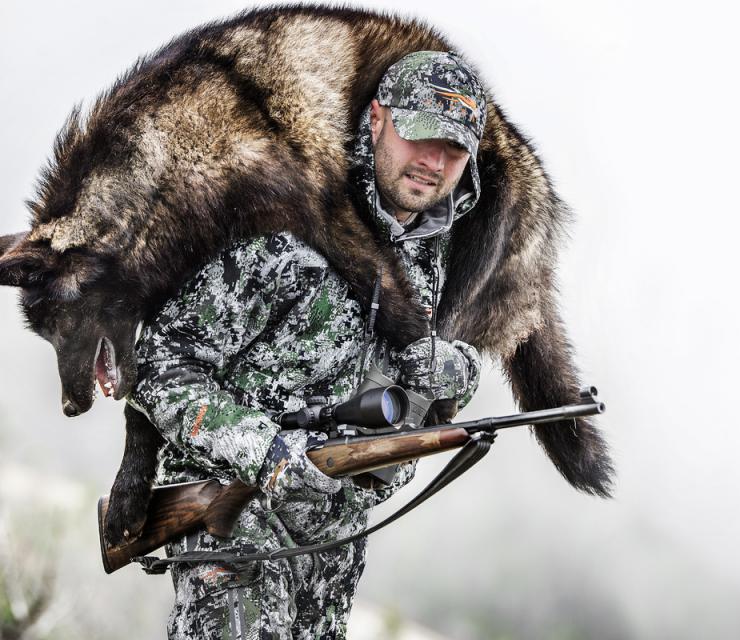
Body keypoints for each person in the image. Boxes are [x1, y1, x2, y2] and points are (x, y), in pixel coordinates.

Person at [128, 51, 487, 639]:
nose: (433, 161)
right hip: (233, 519)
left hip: (333, 547)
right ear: (376, 120)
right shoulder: (287, 218)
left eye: (453, 149)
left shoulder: (437, 247)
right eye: (419, 135)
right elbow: (159, 365)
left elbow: (420, 389)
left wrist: (456, 373)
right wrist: (267, 452)